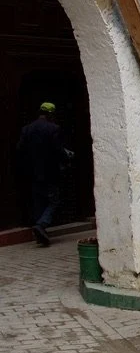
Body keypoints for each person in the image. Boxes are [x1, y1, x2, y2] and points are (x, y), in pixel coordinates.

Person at [16, 102, 66, 247]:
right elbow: (58, 150)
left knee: (38, 201)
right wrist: (66, 158)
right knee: (54, 200)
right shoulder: (54, 129)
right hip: (50, 171)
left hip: (33, 172)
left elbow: (20, 150)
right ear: (51, 114)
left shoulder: (27, 129)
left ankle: (40, 234)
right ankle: (41, 225)